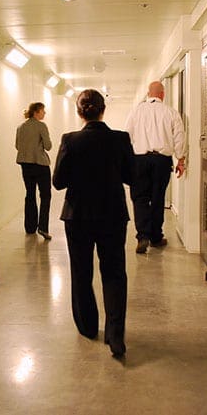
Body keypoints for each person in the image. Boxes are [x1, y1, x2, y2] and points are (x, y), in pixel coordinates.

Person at [52, 89, 135, 357]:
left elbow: (58, 182)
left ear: (79, 112)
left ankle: (88, 326)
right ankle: (115, 334)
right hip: (112, 214)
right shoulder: (120, 139)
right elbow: (131, 177)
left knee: (81, 271)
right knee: (114, 273)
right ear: (103, 110)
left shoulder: (70, 140)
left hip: (78, 216)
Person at [124, 80, 186, 254]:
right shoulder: (171, 112)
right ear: (162, 94)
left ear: (148, 94)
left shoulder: (136, 112)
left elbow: (126, 135)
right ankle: (156, 237)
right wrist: (180, 159)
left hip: (140, 160)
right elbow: (179, 136)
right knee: (158, 198)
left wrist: (129, 160)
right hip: (162, 161)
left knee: (140, 198)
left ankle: (142, 236)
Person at [15, 102, 53, 240]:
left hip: (25, 164)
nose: (45, 113)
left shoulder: (21, 126)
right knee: (45, 195)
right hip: (40, 164)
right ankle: (42, 227)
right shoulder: (41, 126)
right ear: (36, 112)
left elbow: (17, 145)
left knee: (30, 194)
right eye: (43, 111)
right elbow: (48, 146)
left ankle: (30, 227)